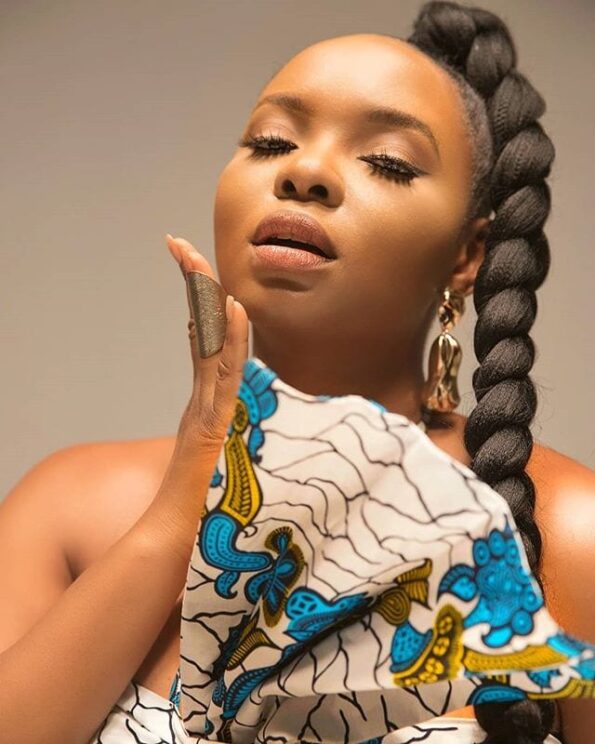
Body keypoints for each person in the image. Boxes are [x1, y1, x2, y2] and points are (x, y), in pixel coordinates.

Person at [0, 1, 593, 742]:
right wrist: (184, 505)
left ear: (467, 255)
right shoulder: (71, 508)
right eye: (271, 141)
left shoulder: (569, 534)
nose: (304, 171)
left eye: (386, 161)